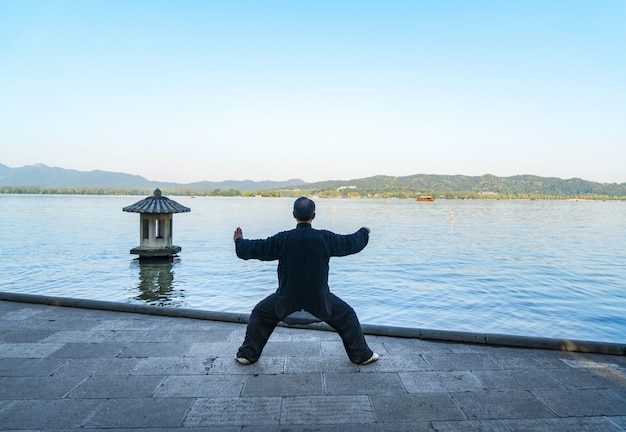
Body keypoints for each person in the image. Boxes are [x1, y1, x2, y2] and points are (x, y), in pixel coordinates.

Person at [233, 196, 379, 366]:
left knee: (260, 313)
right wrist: (364, 232)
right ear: (314, 216)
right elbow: (350, 243)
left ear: (294, 214)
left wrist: (239, 242)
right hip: (320, 299)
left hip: (286, 298)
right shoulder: (325, 238)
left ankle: (247, 355)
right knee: (347, 316)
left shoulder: (283, 239)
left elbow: (258, 248)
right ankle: (362, 356)